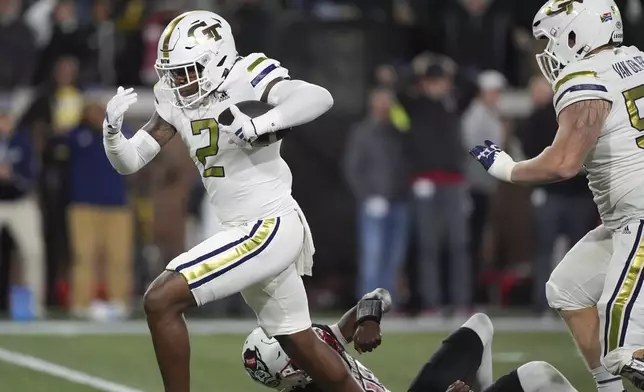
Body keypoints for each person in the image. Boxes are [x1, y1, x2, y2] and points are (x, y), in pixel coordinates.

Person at [101, 10, 363, 392]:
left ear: (216, 59)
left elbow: (318, 97)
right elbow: (131, 160)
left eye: (187, 71)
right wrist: (112, 134)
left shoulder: (248, 73)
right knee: (300, 344)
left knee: (160, 300)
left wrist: (258, 125)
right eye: (172, 72)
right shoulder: (175, 98)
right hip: (241, 227)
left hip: (267, 226)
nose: (177, 82)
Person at [468, 0, 643, 390]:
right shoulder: (634, 59)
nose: (547, 50)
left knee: (623, 352)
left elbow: (563, 163)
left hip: (640, 218)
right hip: (626, 220)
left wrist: (507, 169)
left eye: (551, 38)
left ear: (576, 33)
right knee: (567, 288)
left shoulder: (585, 77)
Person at [242, 288, 579, 392]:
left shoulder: (317, 342)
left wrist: (370, 316)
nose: (305, 343)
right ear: (292, 376)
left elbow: (378, 294)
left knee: (479, 325)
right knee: (539, 375)